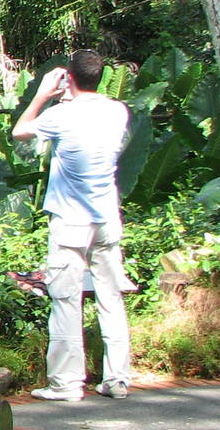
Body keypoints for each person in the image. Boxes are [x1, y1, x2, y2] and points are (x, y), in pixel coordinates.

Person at [11, 49, 132, 401]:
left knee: (65, 299)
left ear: (70, 78)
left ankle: (66, 383)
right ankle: (117, 378)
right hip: (107, 218)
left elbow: (20, 131)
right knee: (111, 297)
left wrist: (42, 95)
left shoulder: (61, 115)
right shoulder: (117, 111)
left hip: (70, 221)